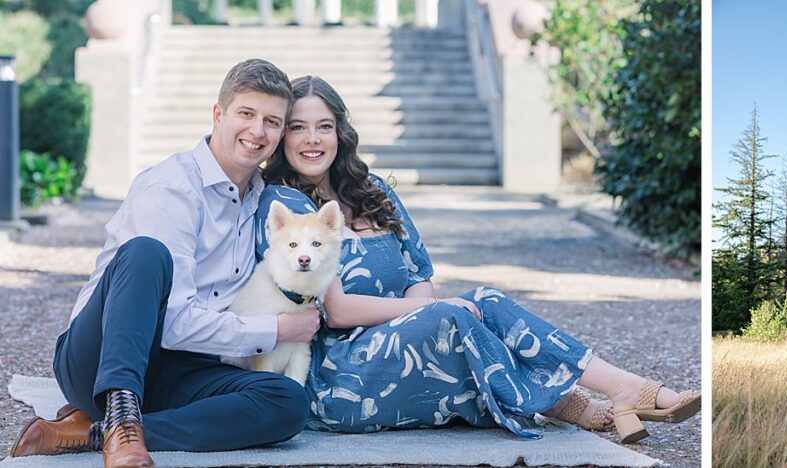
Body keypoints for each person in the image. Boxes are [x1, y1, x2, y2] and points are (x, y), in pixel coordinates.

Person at [256, 75, 701, 444]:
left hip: (403, 343)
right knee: (458, 315)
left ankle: (613, 395)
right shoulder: (283, 205)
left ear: (341, 132)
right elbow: (337, 311)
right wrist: (427, 311)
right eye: (297, 127)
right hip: (342, 372)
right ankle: (598, 399)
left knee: (476, 306)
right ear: (282, 136)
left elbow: (418, 273)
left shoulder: (373, 192)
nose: (312, 139)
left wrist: (427, 308)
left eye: (324, 126)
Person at [9, 59, 318, 467]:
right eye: (246, 114)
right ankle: (118, 417)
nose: (257, 131)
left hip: (184, 366)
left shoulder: (262, 200)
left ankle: (95, 432)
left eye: (272, 121)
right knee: (145, 252)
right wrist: (275, 328)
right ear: (218, 114)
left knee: (287, 403)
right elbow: (173, 322)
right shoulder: (170, 186)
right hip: (103, 357)